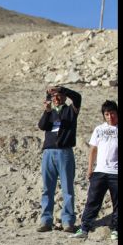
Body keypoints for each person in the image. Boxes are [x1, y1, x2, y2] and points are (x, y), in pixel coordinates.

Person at [37, 85, 82, 233]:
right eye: (53, 96)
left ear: (63, 97)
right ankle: (46, 220)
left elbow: (77, 98)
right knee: (47, 189)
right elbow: (42, 126)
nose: (56, 99)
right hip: (49, 153)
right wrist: (47, 111)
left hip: (64, 152)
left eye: (59, 96)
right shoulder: (50, 112)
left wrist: (63, 89)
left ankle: (68, 221)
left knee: (67, 188)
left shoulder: (70, 110)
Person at [70, 100, 118, 240]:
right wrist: (90, 168)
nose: (110, 117)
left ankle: (116, 229)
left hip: (116, 173)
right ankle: (84, 228)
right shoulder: (99, 129)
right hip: (100, 171)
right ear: (104, 115)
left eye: (112, 114)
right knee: (93, 200)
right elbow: (93, 150)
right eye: (107, 114)